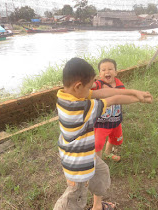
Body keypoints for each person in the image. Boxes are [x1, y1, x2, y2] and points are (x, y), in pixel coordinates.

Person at [54, 57, 152, 210]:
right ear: (78, 86)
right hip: (78, 167)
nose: (91, 91)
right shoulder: (81, 109)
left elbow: (102, 92)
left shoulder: (64, 95)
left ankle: (97, 206)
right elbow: (112, 99)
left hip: (83, 155)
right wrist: (137, 98)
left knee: (102, 171)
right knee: (72, 200)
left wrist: (134, 91)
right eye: (89, 88)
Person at [91, 58, 125, 162]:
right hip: (101, 122)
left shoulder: (120, 85)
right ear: (99, 74)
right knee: (98, 143)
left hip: (115, 120)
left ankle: (107, 154)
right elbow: (91, 86)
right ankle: (99, 162)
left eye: (110, 69)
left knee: (113, 138)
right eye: (103, 70)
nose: (107, 71)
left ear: (116, 72)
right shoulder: (98, 85)